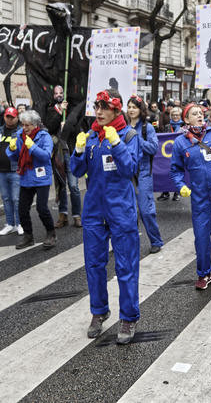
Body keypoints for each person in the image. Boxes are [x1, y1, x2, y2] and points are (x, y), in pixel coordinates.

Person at [70, 89, 141, 345]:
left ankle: (129, 316)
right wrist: (78, 151)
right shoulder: (90, 136)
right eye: (96, 107)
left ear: (116, 109)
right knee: (94, 266)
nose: (98, 112)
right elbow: (76, 171)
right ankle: (99, 312)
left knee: (126, 266)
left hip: (121, 210)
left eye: (104, 107)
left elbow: (130, 169)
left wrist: (117, 144)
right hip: (93, 211)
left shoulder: (129, 135)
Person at [170, 102, 211, 289]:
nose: (199, 116)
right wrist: (180, 185)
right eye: (194, 113)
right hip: (200, 195)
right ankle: (204, 274)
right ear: (186, 119)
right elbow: (175, 170)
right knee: (201, 236)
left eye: (201, 113)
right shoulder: (181, 142)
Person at [8, 110, 56, 249]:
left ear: (35, 125)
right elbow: (15, 156)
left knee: (42, 208)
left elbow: (46, 156)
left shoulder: (44, 136)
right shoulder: (19, 136)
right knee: (22, 209)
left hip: (41, 177)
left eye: (27, 125)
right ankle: (28, 236)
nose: (24, 128)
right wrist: (11, 150)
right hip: (26, 176)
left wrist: (32, 147)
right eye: (22, 125)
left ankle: (51, 233)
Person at [126, 95, 163, 253]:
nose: (131, 110)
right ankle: (125, 241)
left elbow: (153, 148)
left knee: (146, 210)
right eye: (129, 107)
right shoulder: (122, 126)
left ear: (140, 110)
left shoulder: (147, 128)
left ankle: (156, 241)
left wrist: (137, 139)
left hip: (143, 172)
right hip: (126, 172)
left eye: (134, 107)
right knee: (126, 210)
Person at [45, 85, 82, 229]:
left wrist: (66, 125)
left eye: (61, 92)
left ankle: (77, 215)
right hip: (58, 152)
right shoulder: (50, 109)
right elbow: (49, 126)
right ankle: (62, 215)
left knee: (73, 185)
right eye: (56, 93)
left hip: (70, 151)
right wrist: (59, 112)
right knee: (60, 184)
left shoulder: (73, 109)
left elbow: (77, 129)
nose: (59, 95)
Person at [0, 106, 23, 237]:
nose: (10, 119)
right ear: (4, 117)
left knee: (16, 199)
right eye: (8, 116)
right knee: (6, 199)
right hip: (1, 171)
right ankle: (10, 224)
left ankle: (20, 223)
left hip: (15, 170)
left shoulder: (21, 131)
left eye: (12, 117)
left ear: (17, 118)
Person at [158, 106, 184, 202]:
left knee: (178, 171)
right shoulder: (167, 127)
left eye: (177, 115)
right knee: (166, 172)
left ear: (180, 115)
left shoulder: (184, 126)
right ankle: (165, 192)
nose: (175, 116)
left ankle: (177, 192)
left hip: (179, 153)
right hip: (167, 153)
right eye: (173, 115)